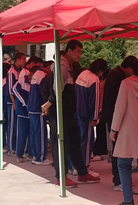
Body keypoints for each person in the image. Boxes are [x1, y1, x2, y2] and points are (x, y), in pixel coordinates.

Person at [44, 41, 101, 186]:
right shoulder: (62, 67)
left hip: (69, 112)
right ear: (69, 51)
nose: (80, 55)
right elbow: (57, 91)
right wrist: (49, 103)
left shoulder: (68, 66)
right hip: (61, 112)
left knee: (74, 143)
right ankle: (61, 177)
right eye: (78, 51)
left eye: (81, 51)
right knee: (62, 144)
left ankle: (82, 172)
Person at [110, 57, 138, 205]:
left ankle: (128, 200)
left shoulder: (126, 83)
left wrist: (114, 129)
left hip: (128, 130)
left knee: (123, 164)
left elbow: (119, 108)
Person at [101, 55, 136, 190]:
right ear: (129, 68)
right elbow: (114, 98)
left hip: (115, 116)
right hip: (114, 117)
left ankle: (120, 179)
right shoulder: (116, 76)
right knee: (118, 149)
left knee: (119, 148)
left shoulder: (117, 74)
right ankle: (118, 180)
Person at [75, 58, 108, 170]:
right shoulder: (94, 79)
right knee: (87, 141)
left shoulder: (82, 74)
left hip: (77, 111)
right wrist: (95, 117)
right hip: (86, 114)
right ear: (101, 70)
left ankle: (75, 165)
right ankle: (84, 166)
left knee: (78, 140)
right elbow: (95, 100)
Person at [29, 57, 52, 164]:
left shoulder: (35, 74)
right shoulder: (42, 76)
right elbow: (44, 92)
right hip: (39, 107)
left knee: (34, 133)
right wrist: (47, 105)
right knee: (41, 133)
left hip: (32, 107)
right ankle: (41, 157)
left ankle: (35, 155)